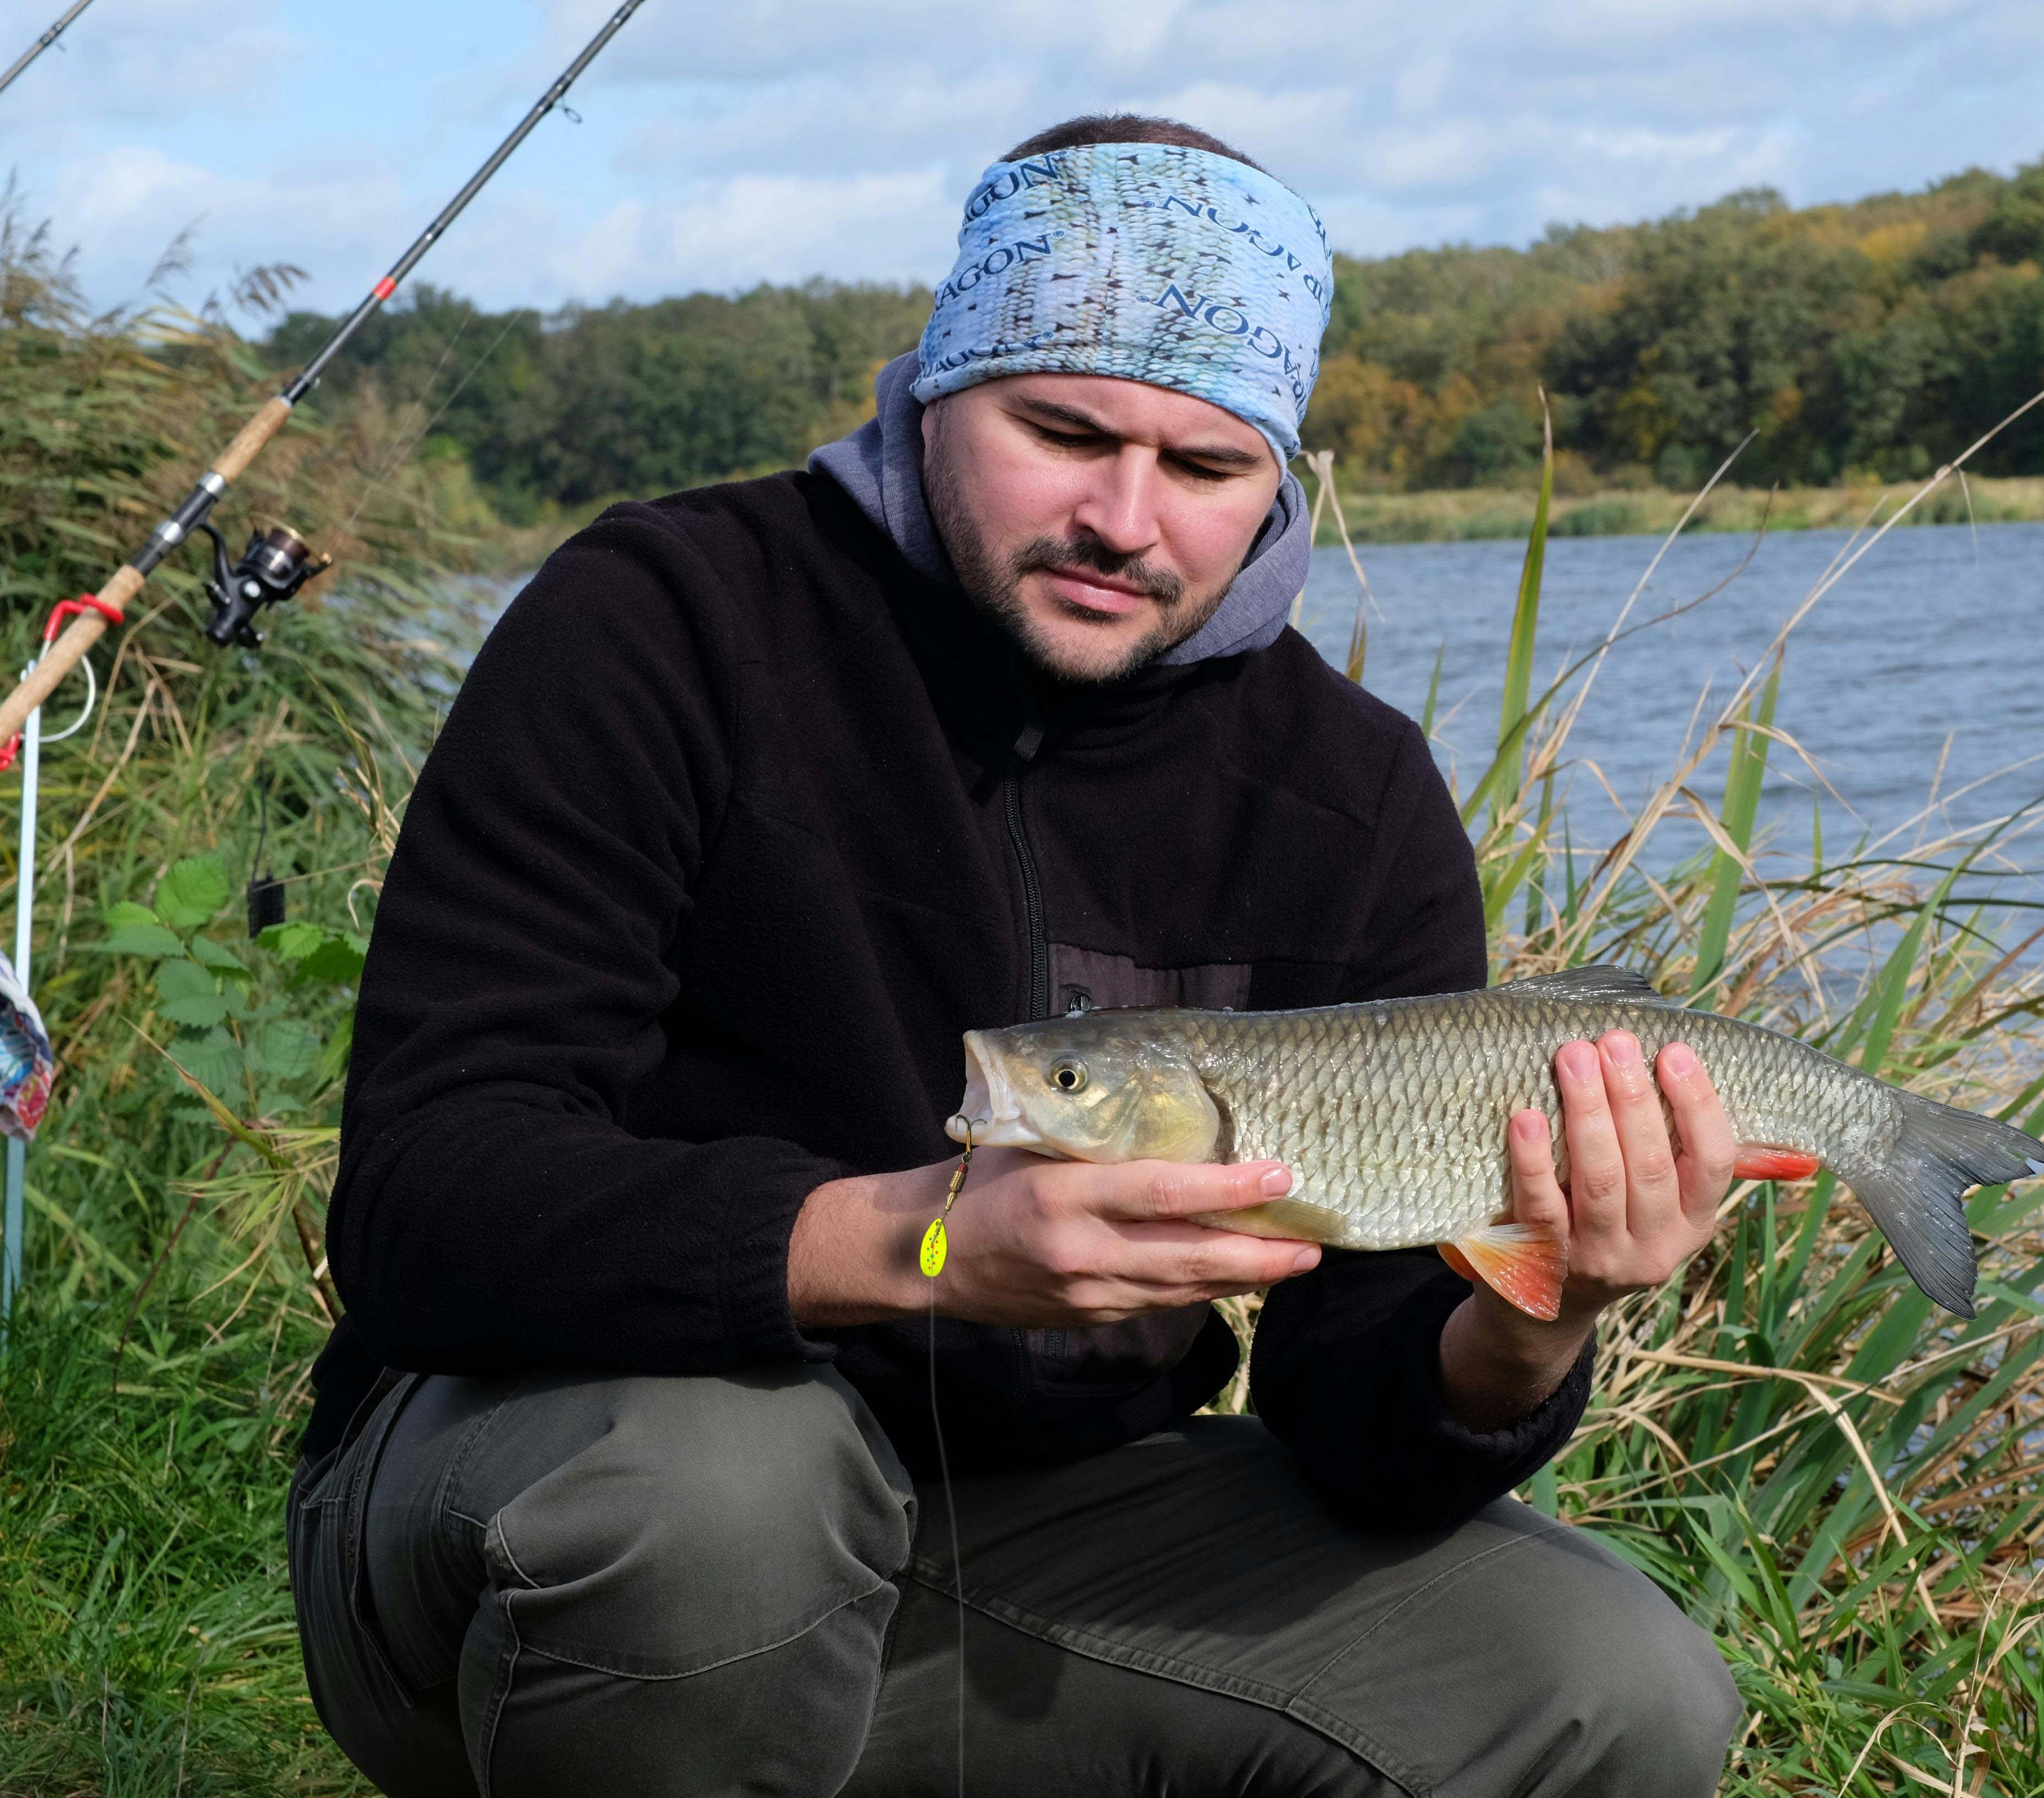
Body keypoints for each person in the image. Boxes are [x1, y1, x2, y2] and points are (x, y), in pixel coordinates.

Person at [289, 114, 1743, 1798]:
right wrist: (908, 1242)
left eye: (1206, 470)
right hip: (546, 1521)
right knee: (728, 1487)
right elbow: (423, 1198)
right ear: (934, 390)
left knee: (1608, 1681)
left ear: (1281, 478)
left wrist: (1536, 1319)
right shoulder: (665, 621)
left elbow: (1358, 1420)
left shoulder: (1352, 798)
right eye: (1062, 430)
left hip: (1014, 1549)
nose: (1125, 518)